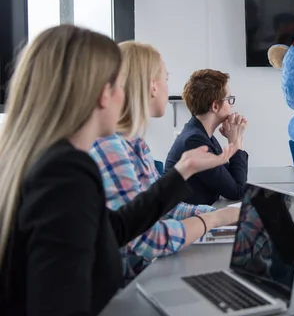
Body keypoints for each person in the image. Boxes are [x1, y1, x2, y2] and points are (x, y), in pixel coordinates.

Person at [0, 25, 238, 315]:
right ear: (104, 94)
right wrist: (212, 219)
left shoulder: (52, 163)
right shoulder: (66, 173)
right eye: (120, 86)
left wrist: (184, 173)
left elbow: (117, 227)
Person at [89, 41, 240, 280]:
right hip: (126, 283)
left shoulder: (136, 144)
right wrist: (215, 218)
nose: (169, 86)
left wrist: (228, 215)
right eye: (166, 78)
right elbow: (149, 240)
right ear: (152, 87)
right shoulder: (111, 147)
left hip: (141, 272)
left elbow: (160, 210)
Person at [165, 69, 249, 205]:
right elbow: (237, 191)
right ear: (215, 106)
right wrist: (236, 141)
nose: (231, 105)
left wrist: (235, 140)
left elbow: (232, 181)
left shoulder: (201, 134)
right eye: (229, 100)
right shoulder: (195, 141)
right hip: (186, 221)